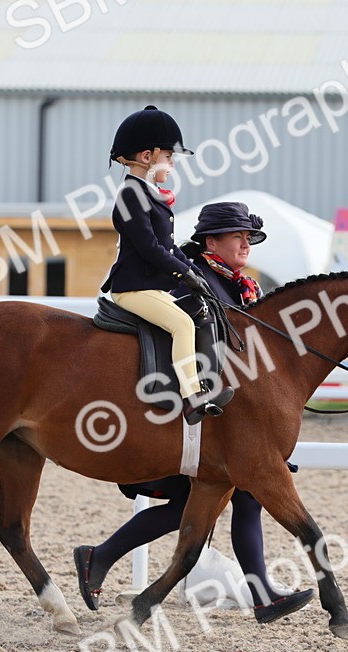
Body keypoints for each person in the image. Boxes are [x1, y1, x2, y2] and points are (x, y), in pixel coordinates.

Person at [75, 202, 315, 624]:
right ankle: (103, 555)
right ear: (211, 241)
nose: (246, 243)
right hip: (185, 411)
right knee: (206, 501)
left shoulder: (245, 287)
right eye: (237, 235)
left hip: (233, 421)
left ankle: (102, 556)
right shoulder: (191, 282)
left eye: (248, 236)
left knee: (238, 500)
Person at [100, 105, 233, 424]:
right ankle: (192, 398)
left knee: (200, 312)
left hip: (151, 286)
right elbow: (149, 247)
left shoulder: (149, 194)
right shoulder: (131, 195)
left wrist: (195, 270)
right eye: (169, 158)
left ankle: (209, 381)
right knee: (181, 324)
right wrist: (183, 272)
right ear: (147, 156)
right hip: (133, 287)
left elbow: (170, 245)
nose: (173, 165)